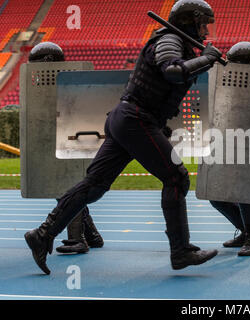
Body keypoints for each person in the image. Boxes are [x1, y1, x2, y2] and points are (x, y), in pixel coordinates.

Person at [24, 0, 222, 274]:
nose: (205, 30)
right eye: (202, 23)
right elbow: (173, 72)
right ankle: (181, 251)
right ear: (190, 22)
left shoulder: (176, 43)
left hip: (129, 119)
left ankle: (43, 234)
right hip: (135, 120)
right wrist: (207, 59)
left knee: (95, 184)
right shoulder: (170, 41)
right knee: (176, 178)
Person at [28, 41, 104, 255]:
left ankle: (76, 240)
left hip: (70, 144)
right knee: (68, 190)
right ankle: (91, 236)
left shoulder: (58, 87)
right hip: (71, 144)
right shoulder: (63, 85)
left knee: (67, 189)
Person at [210, 41, 250, 256]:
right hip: (228, 141)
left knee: (245, 192)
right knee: (215, 195)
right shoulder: (227, 83)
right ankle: (244, 230)